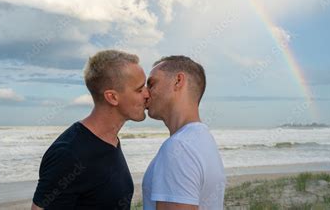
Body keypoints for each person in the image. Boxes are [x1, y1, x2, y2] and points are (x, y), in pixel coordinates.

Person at [31, 50, 150, 210]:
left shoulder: (110, 140)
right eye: (139, 89)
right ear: (112, 97)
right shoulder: (68, 154)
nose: (147, 94)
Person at [143, 56, 226, 210]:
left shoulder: (178, 147)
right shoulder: (202, 138)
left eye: (151, 84)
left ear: (178, 81)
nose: (145, 94)